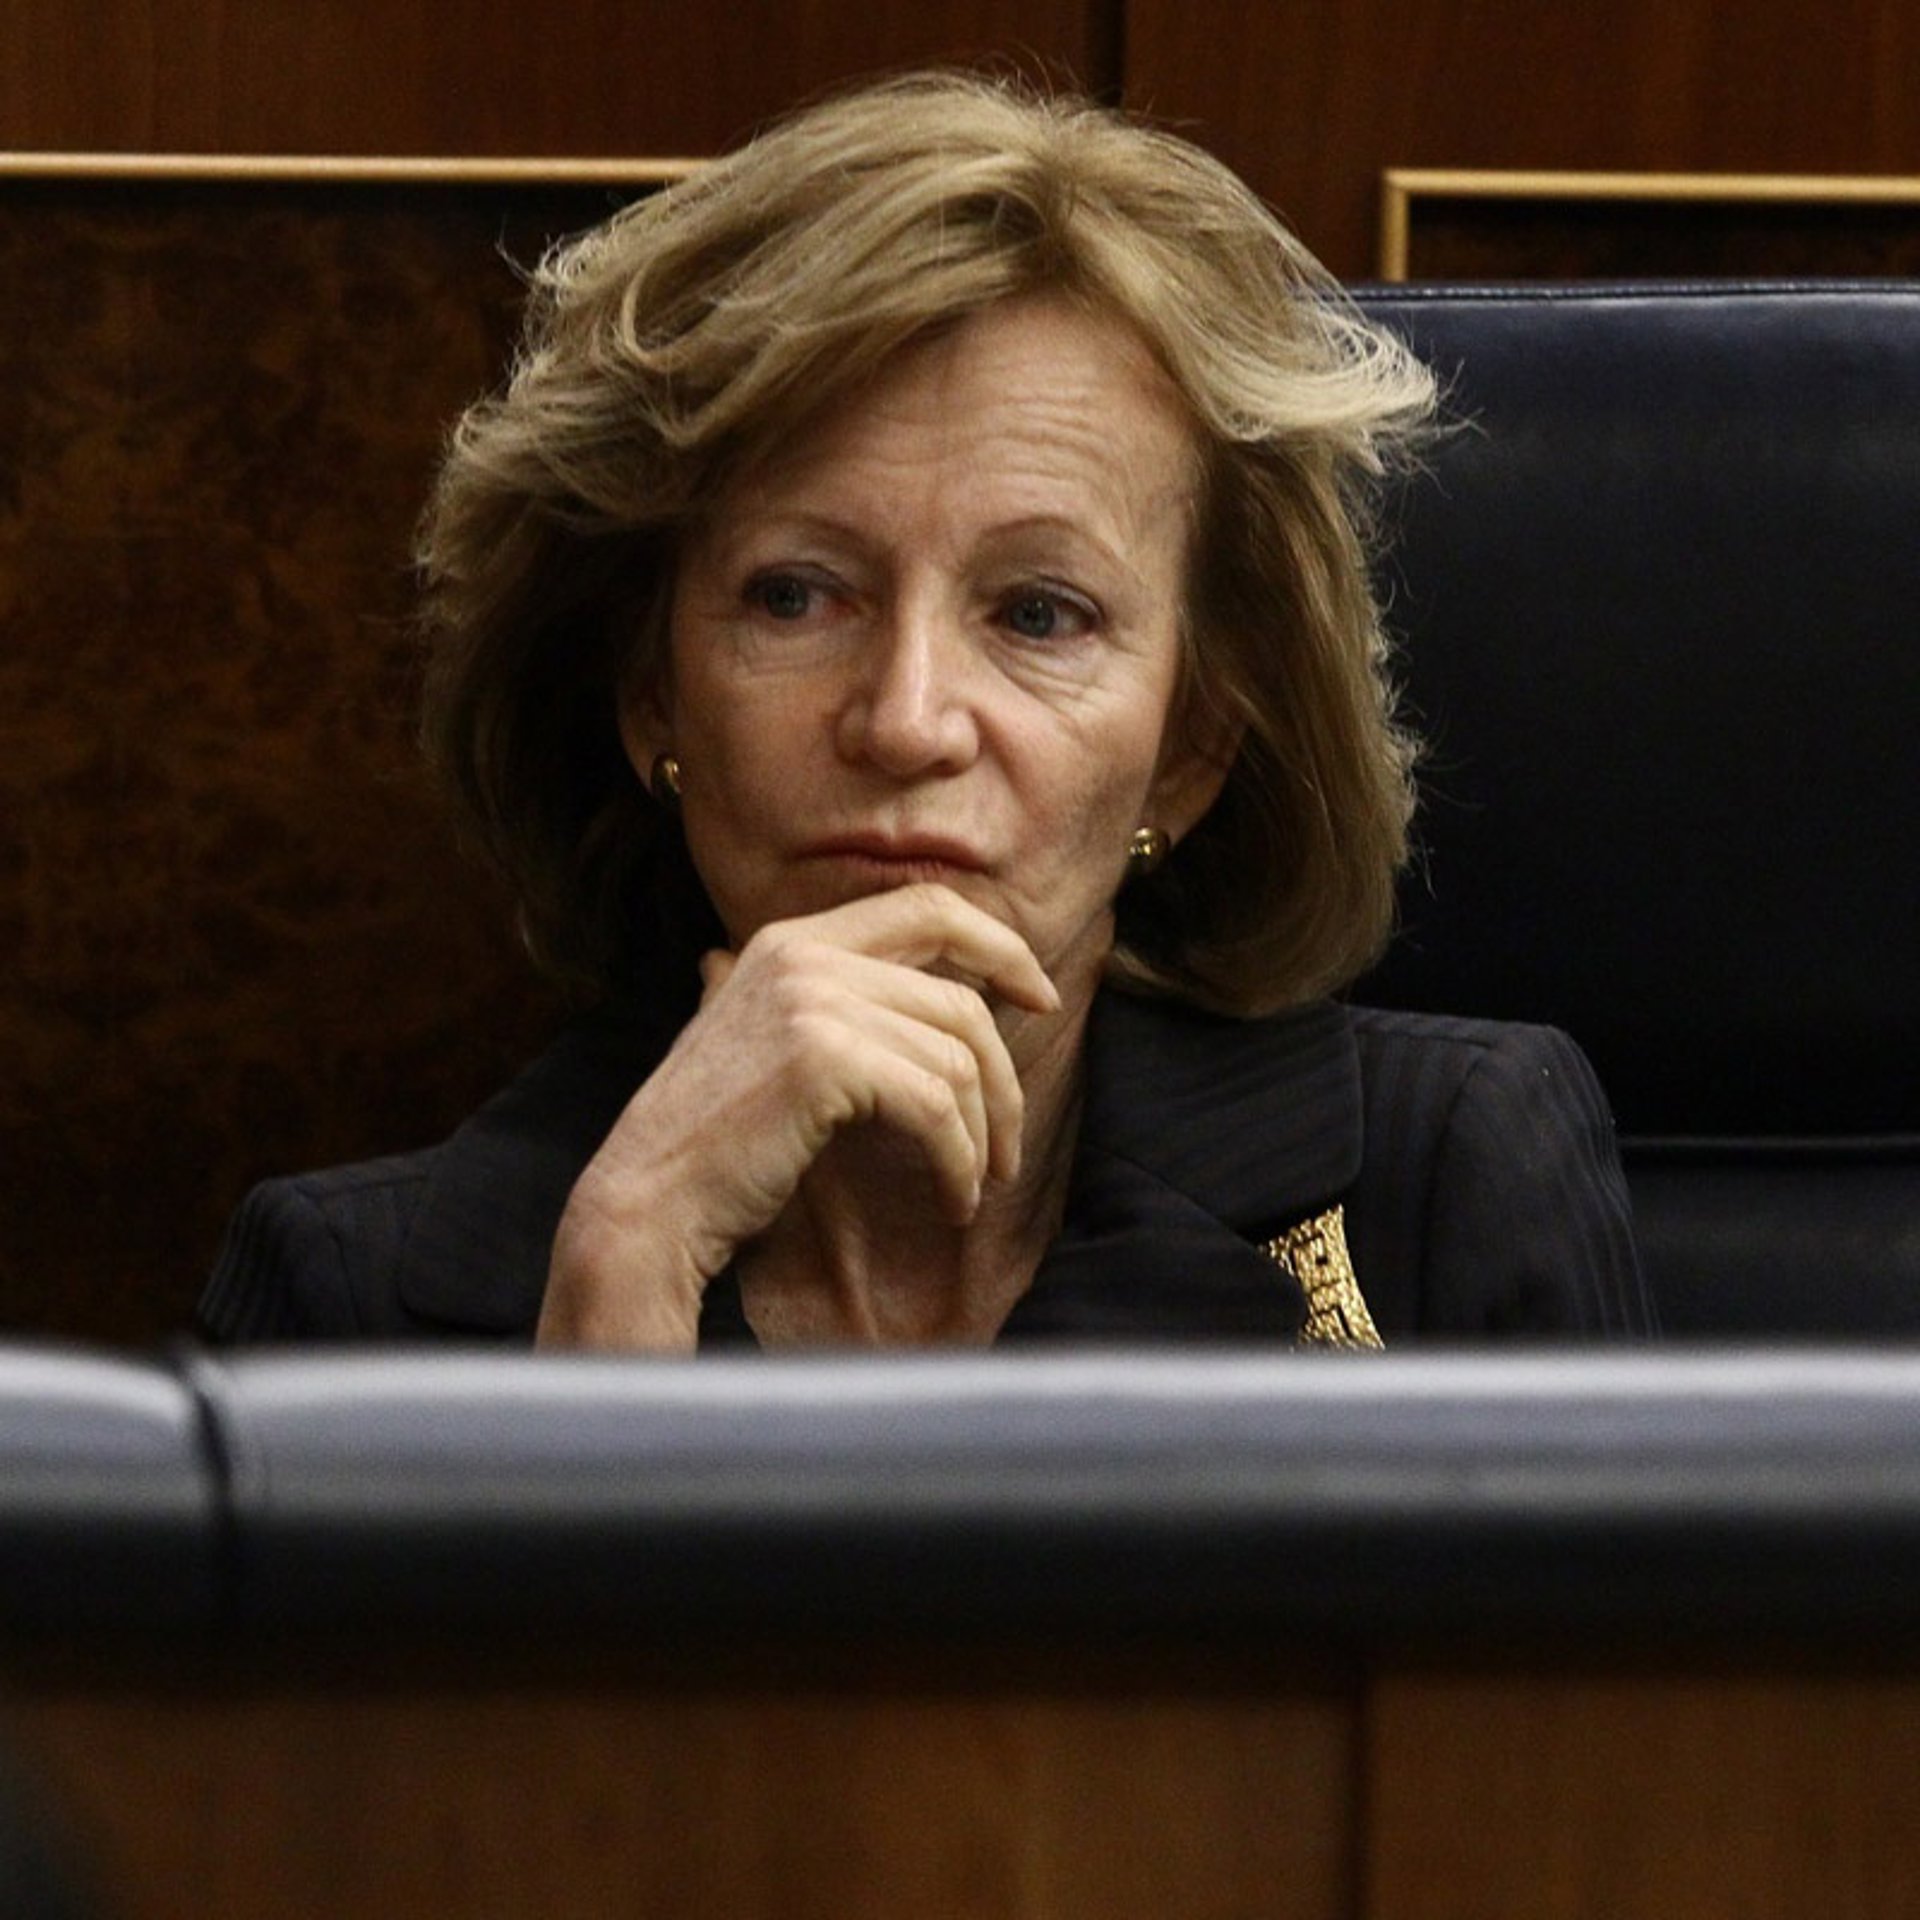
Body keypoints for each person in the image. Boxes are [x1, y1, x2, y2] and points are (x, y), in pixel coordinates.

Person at [200, 72, 1650, 1349]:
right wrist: (623, 1275)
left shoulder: (1444, 1189)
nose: (905, 722)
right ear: (652, 696)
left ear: (1192, 750)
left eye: (1038, 614)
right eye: (795, 596)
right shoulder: (348, 1292)